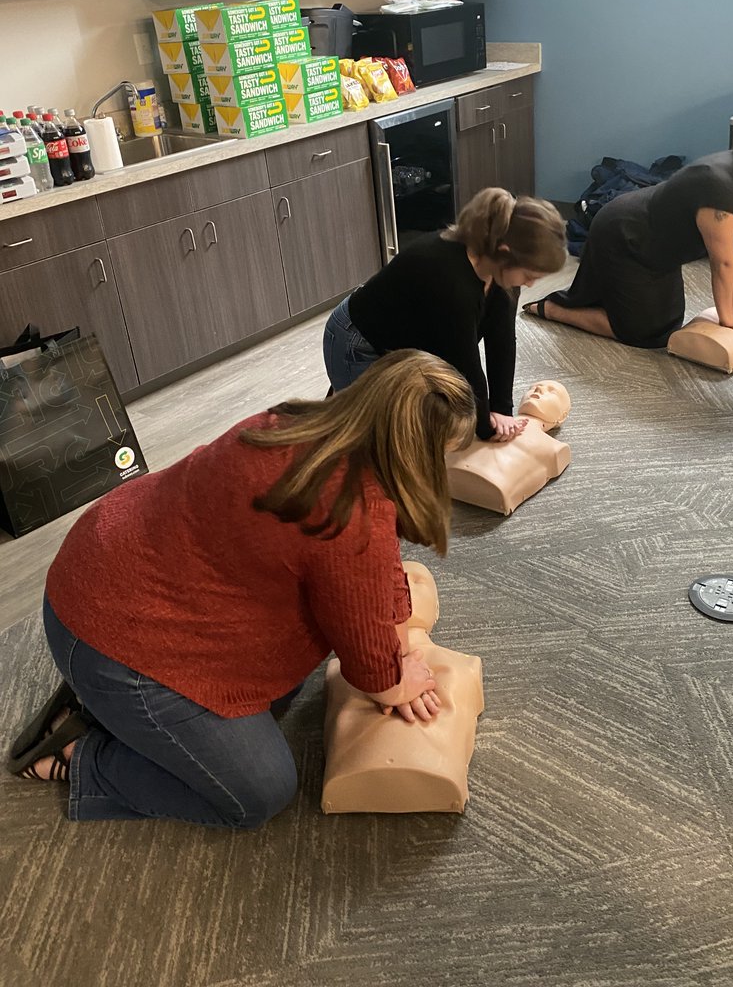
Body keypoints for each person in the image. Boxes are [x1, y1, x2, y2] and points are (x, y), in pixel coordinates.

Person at [7, 351, 476, 829]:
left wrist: (392, 637)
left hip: (93, 568)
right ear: (416, 454)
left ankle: (108, 705)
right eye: (443, 456)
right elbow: (374, 669)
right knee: (258, 793)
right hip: (110, 635)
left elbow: (375, 578)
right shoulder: (351, 518)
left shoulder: (290, 423)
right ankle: (83, 756)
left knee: (281, 680)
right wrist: (398, 678)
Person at [522, 127, 733, 348]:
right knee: (645, 335)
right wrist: (727, 315)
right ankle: (553, 309)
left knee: (669, 324)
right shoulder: (718, 185)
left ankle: (608, 297)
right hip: (624, 236)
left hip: (661, 251)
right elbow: (722, 261)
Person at [323, 187, 567, 443]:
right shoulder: (450, 281)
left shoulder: (498, 271)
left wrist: (501, 410)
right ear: (505, 252)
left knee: (426, 422)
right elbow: (464, 366)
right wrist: (486, 426)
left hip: (410, 339)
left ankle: (341, 401)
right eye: (530, 276)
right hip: (359, 341)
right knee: (374, 443)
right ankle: (338, 411)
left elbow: (502, 341)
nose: (529, 285)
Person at [321, 561, 484, 814]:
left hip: (432, 772)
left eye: (415, 581)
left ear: (435, 612)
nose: (406, 583)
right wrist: (389, 681)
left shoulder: (338, 667)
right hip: (357, 771)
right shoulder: (340, 667)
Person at [446, 380, 572, 515]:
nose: (538, 389)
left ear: (562, 416)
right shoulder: (478, 420)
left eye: (551, 391)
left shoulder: (555, 448)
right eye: (533, 387)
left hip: (492, 485)